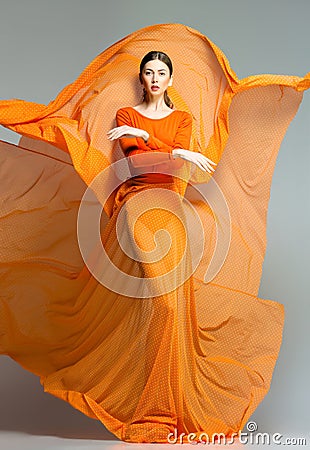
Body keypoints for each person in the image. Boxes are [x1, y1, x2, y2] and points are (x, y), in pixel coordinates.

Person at [0, 22, 309, 445]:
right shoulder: (126, 116)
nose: (155, 79)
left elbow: (176, 168)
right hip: (133, 201)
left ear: (169, 79)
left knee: (170, 299)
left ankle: (165, 403)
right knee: (152, 288)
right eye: (149, 73)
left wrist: (163, 148)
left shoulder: (181, 119)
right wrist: (159, 145)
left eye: (162, 73)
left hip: (170, 205)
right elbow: (136, 162)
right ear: (142, 78)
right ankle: (145, 400)